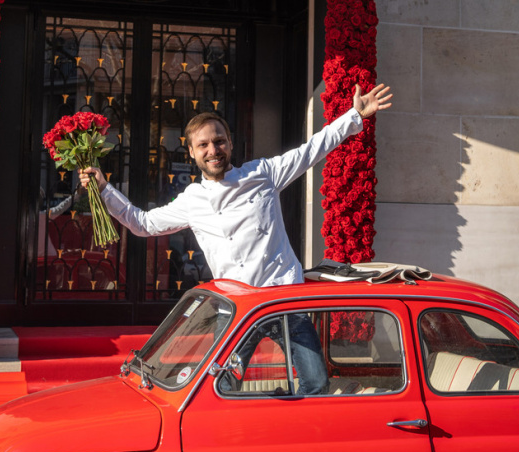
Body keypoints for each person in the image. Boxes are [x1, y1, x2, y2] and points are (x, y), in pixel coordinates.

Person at [80, 83, 392, 394]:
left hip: (283, 301)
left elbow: (312, 150)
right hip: (238, 309)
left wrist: (354, 115)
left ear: (230, 143)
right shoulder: (192, 200)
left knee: (316, 382)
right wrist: (105, 189)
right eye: (203, 145)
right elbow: (142, 224)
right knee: (221, 385)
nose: (213, 151)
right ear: (190, 151)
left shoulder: (262, 174)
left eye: (219, 141)